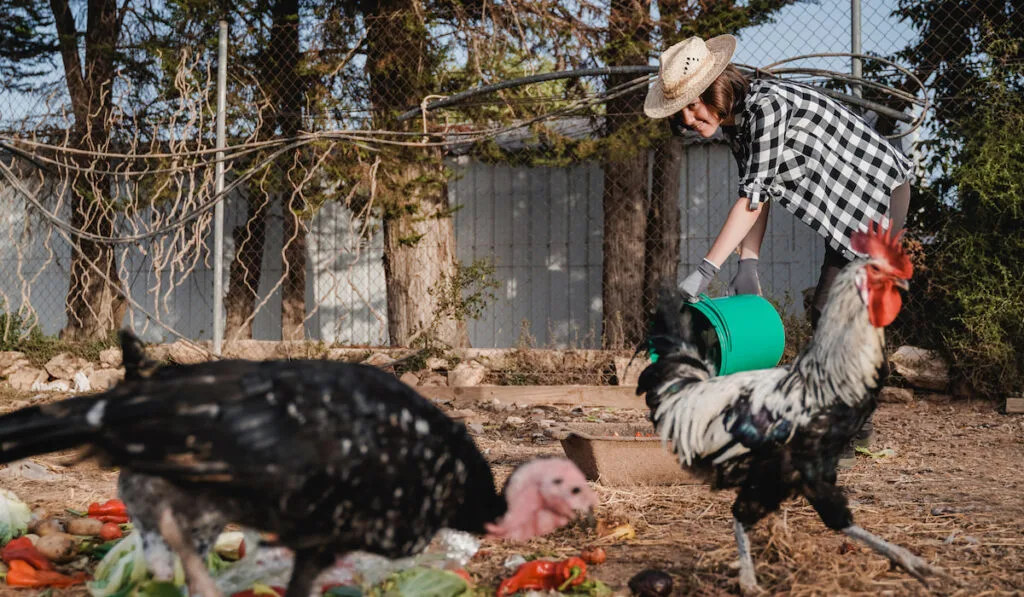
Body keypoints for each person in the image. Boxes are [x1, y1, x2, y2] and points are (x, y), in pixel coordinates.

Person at [643, 34, 913, 466]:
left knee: (834, 310)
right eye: (682, 112)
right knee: (830, 310)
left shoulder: (766, 107)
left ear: (716, 87)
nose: (690, 118)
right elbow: (758, 193)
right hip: (846, 214)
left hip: (877, 195)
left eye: (694, 105)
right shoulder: (737, 125)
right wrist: (747, 263)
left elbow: (750, 200)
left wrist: (705, 271)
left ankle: (851, 427)